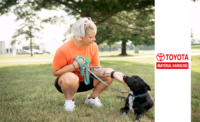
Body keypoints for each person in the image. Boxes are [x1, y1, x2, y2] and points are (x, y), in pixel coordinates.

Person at [52, 17, 126, 111]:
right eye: (91, 37)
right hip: (68, 83)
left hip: (87, 81)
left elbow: (97, 68)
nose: (94, 39)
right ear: (80, 36)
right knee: (71, 77)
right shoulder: (63, 50)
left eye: (94, 36)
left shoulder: (93, 46)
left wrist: (113, 73)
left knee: (109, 73)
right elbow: (55, 72)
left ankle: (92, 99)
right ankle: (69, 101)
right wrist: (74, 66)